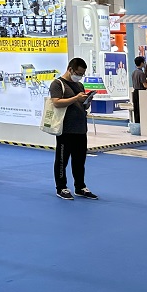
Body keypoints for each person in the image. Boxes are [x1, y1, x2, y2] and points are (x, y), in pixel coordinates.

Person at [50, 58, 98, 200]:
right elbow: (56, 102)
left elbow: (82, 105)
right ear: (70, 69)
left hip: (80, 128)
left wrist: (87, 101)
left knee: (79, 160)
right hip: (65, 129)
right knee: (62, 160)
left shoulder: (79, 85)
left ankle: (80, 186)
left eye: (82, 74)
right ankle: (61, 187)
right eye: (78, 73)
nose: (80, 76)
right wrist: (76, 98)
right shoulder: (57, 84)